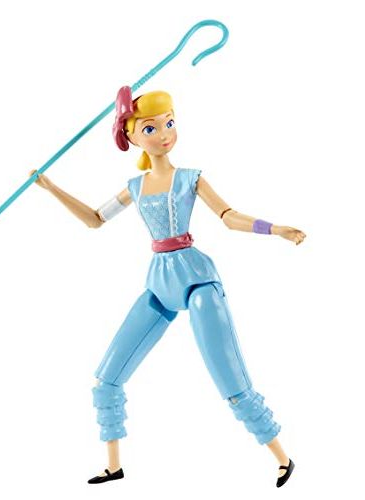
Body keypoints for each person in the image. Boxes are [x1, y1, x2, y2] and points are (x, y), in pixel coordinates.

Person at [29, 87, 305, 488]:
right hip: (159, 282)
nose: (164, 134)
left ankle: (281, 457)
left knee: (229, 378)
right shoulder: (135, 187)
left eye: (169, 123)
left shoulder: (190, 178)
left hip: (197, 281)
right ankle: (113, 465)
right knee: (107, 378)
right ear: (132, 136)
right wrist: (51, 188)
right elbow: (94, 219)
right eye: (151, 128)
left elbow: (228, 216)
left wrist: (274, 228)